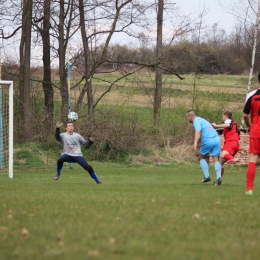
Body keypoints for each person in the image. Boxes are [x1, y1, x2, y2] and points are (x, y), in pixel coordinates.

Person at [186, 110, 222, 186]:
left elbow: (198, 131)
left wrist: (195, 142)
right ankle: (219, 177)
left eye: (187, 117)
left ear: (189, 116)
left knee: (201, 156)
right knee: (216, 158)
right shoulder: (202, 119)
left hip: (208, 140)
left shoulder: (196, 121)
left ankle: (207, 176)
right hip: (216, 139)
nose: (187, 119)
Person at [243, 72, 260, 195]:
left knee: (253, 159)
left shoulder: (251, 95)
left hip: (256, 130)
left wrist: (249, 126)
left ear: (258, 81)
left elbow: (245, 115)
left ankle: (249, 189)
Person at [212, 111, 240, 177]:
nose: (222, 118)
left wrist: (216, 125)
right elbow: (221, 130)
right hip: (236, 145)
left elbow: (228, 124)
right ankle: (219, 179)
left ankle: (233, 159)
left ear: (225, 116)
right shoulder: (233, 124)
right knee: (219, 163)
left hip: (231, 142)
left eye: (222, 116)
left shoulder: (228, 121)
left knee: (222, 155)